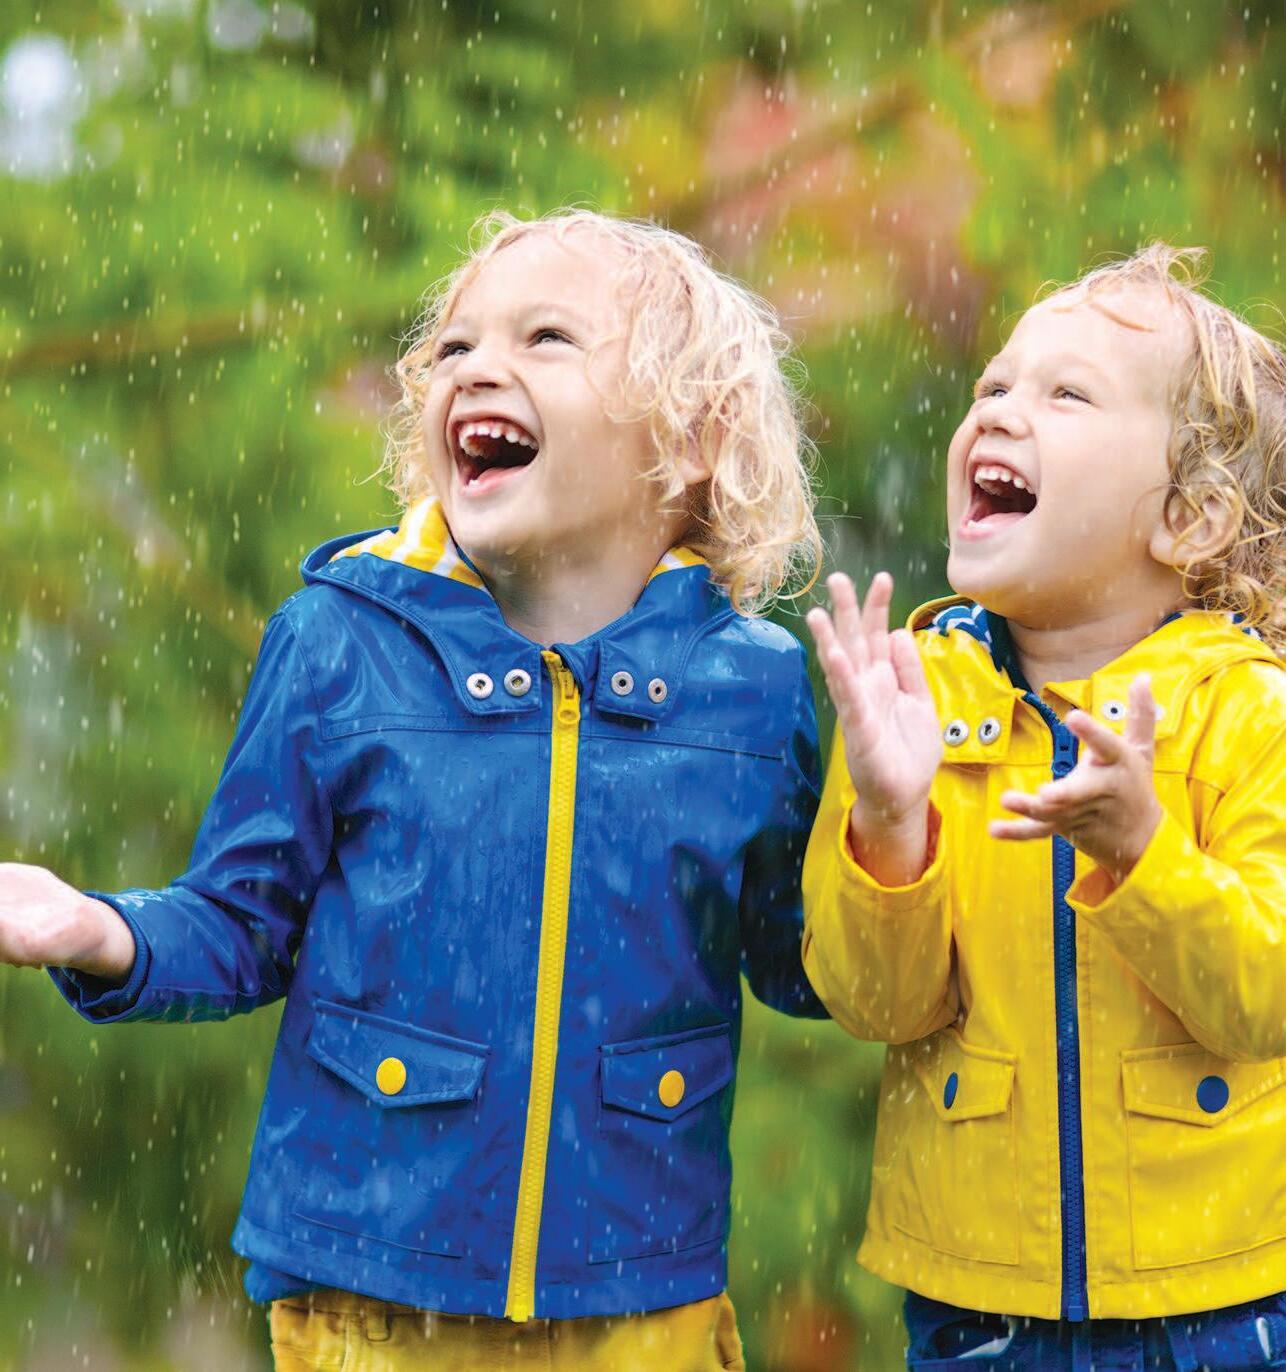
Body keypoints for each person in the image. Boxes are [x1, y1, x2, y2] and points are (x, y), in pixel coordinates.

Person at [0, 208, 829, 1371]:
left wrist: (897, 828)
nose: (476, 366)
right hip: (375, 1306)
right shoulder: (339, 641)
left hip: (643, 1308)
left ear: (689, 440)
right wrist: (102, 931)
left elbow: (803, 963)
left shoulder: (753, 687)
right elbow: (240, 924)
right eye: (452, 347)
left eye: (545, 337)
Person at [802, 243, 1286, 1370]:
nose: (998, 412)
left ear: (1190, 518)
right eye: (992, 386)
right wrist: (888, 824)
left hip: (1224, 1300)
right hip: (979, 1309)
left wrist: (1142, 851)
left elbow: (1264, 999)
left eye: (1067, 395)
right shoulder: (913, 701)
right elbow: (872, 1003)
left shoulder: (1247, 714)